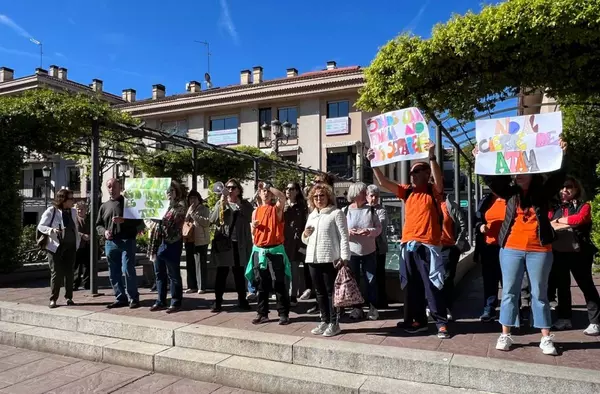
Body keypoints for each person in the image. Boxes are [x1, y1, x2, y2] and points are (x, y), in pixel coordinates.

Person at [482, 139, 566, 355]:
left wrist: (562, 155)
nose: (517, 174)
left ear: (533, 173)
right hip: (510, 248)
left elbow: (557, 179)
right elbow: (492, 180)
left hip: (540, 250)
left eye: (523, 171)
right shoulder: (510, 193)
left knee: (540, 293)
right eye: (516, 171)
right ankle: (506, 334)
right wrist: (480, 157)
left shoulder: (543, 192)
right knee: (509, 291)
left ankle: (546, 338)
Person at [368, 141, 450, 339]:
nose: (412, 175)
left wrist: (431, 156)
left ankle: (441, 323)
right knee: (412, 287)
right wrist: (372, 163)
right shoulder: (408, 192)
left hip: (428, 246)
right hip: (408, 246)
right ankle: (418, 321)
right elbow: (384, 183)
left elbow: (439, 180)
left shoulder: (433, 191)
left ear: (426, 174)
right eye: (412, 172)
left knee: (432, 286)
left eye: (416, 171)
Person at [549, 176, 600, 336]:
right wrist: (563, 221)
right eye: (562, 187)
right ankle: (564, 318)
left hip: (580, 253)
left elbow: (581, 218)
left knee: (586, 286)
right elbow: (548, 222)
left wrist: (560, 221)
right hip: (559, 252)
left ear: (576, 189)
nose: (565, 190)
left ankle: (595, 321)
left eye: (569, 187)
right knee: (562, 287)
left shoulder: (584, 206)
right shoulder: (555, 206)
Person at [302, 183, 350, 337]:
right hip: (313, 258)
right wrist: (305, 234)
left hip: (330, 258)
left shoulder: (336, 213)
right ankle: (324, 320)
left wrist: (344, 257)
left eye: (322, 195)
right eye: (315, 196)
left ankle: (334, 323)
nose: (319, 198)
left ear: (328, 196)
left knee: (331, 292)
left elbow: (344, 236)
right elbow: (306, 240)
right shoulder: (312, 215)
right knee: (319, 292)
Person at [246, 181, 291, 325]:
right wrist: (253, 227)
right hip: (259, 251)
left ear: (271, 194)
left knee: (278, 282)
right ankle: (262, 313)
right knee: (261, 284)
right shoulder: (255, 211)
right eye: (263, 191)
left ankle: (283, 313)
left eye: (268, 191)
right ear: (259, 194)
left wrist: (268, 186)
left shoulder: (276, 209)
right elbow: (253, 233)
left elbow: (283, 198)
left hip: (274, 250)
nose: (265, 193)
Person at [96, 178, 144, 309]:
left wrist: (124, 221)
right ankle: (120, 297)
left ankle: (133, 298)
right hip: (110, 243)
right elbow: (98, 225)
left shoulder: (129, 203)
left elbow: (139, 223)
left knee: (128, 269)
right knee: (113, 272)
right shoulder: (104, 206)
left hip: (127, 241)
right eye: (109, 187)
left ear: (120, 187)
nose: (112, 189)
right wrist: (104, 232)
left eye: (114, 186)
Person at [210, 179, 253, 312]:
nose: (229, 190)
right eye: (227, 187)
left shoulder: (245, 204)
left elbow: (251, 216)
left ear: (239, 190)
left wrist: (240, 207)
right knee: (221, 273)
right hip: (225, 244)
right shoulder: (221, 203)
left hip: (239, 243)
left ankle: (242, 300)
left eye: (233, 187)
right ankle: (217, 302)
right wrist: (221, 202)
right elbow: (213, 219)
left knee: (239, 273)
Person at [344, 182, 382, 320]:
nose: (366, 194)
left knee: (371, 280)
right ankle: (357, 308)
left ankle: (373, 308)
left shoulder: (371, 210)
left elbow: (379, 228)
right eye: (363, 192)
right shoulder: (346, 211)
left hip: (369, 251)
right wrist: (349, 232)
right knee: (353, 281)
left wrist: (368, 231)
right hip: (352, 252)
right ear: (356, 194)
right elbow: (340, 231)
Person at [37, 189, 80, 308]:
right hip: (55, 246)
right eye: (71, 199)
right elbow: (41, 226)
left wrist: (78, 241)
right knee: (56, 272)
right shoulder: (52, 211)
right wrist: (52, 230)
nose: (73, 201)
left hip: (70, 246)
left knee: (70, 272)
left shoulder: (73, 212)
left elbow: (74, 228)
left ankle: (69, 297)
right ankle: (53, 299)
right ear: (63, 200)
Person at [149, 181, 187, 313]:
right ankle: (161, 301)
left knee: (173, 274)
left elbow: (175, 223)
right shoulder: (159, 206)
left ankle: (176, 302)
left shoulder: (179, 207)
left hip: (172, 243)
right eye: (167, 192)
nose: (169, 194)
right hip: (159, 243)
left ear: (176, 193)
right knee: (159, 273)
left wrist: (160, 219)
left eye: (172, 191)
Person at [438, 193, 470, 321]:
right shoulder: (427, 203)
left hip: (448, 247)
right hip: (431, 247)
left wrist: (457, 245)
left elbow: (463, 224)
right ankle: (433, 306)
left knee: (447, 278)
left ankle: (446, 307)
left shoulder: (449, 205)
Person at [475, 193, 506, 322]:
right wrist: (480, 226)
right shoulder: (486, 200)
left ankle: (512, 309)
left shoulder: (511, 198)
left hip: (508, 246)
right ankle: (489, 308)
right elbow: (477, 219)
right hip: (489, 246)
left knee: (509, 280)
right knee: (489, 279)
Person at [284, 182, 308, 306]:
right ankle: (284, 294)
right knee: (283, 269)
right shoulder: (282, 204)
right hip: (283, 241)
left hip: (296, 241)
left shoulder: (302, 206)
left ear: (297, 191)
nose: (288, 191)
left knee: (294, 269)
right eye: (287, 188)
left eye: (292, 189)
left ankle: (293, 295)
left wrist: (303, 243)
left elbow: (305, 224)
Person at [183, 190, 210, 294]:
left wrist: (193, 214)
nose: (192, 200)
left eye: (194, 198)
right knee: (190, 263)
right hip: (189, 239)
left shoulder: (204, 209)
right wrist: (188, 214)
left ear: (199, 199)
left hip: (201, 240)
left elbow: (206, 222)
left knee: (200, 263)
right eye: (190, 198)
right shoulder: (188, 209)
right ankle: (191, 286)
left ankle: (202, 286)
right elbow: (185, 222)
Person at [367, 184, 389, 309]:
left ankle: (381, 300)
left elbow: (381, 227)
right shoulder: (364, 209)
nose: (374, 199)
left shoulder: (382, 211)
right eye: (371, 196)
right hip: (368, 247)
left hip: (379, 247)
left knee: (379, 274)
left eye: (376, 196)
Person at [74, 201, 91, 291]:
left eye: (82, 209)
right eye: (78, 209)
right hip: (78, 245)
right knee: (77, 266)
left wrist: (90, 236)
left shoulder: (90, 219)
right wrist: (82, 235)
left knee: (87, 266)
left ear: (86, 210)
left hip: (88, 245)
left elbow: (95, 228)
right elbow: (73, 230)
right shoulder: (74, 219)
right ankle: (74, 284)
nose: (80, 211)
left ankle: (87, 284)